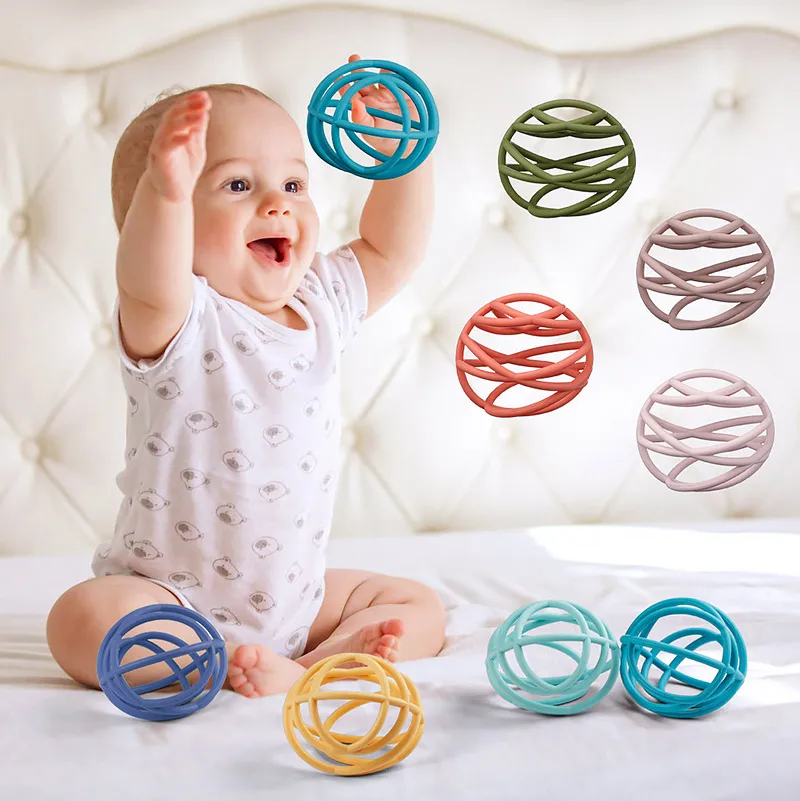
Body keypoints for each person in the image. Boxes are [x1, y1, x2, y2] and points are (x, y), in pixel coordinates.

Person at [46, 54, 446, 699]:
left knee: (416, 605)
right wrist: (163, 194)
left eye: (293, 184)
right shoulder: (179, 317)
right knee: (81, 621)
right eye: (237, 185)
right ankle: (219, 658)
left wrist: (404, 157)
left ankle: (319, 660)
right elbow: (146, 278)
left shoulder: (321, 303)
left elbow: (390, 250)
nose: (277, 204)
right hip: (167, 600)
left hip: (296, 601)